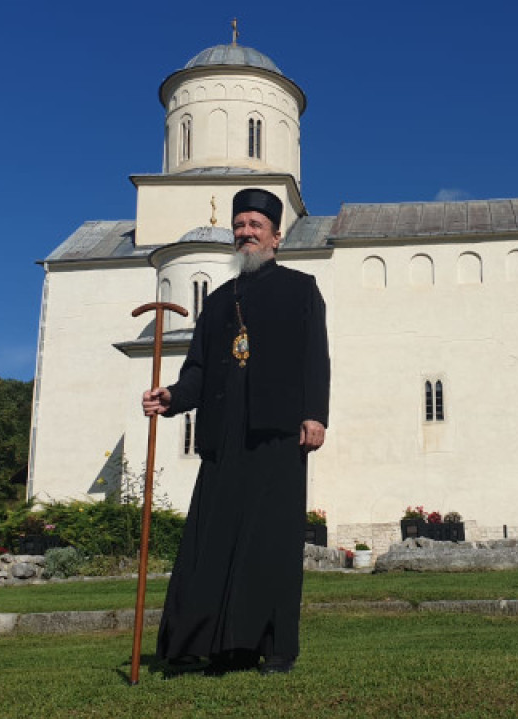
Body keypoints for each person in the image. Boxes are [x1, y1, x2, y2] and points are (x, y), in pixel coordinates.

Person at [142, 188, 330, 675]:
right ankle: (211, 645)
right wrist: (172, 398)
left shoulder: (300, 289)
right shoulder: (218, 301)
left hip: (276, 431)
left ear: (276, 237)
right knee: (214, 540)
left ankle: (276, 648)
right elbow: (198, 370)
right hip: (223, 435)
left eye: (255, 226)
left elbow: (315, 356)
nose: (246, 233)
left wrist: (314, 414)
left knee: (271, 542)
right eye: (240, 226)